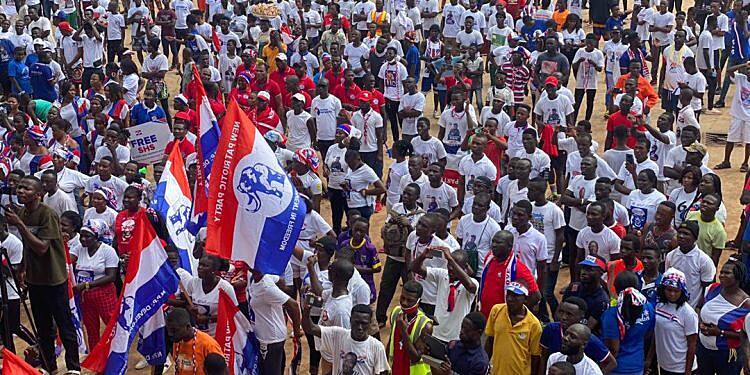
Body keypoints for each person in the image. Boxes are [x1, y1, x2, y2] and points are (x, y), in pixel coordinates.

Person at [4, 176, 80, 373]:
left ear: (38, 194)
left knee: (64, 325)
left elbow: (42, 248)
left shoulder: (47, 214)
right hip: (35, 279)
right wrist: (22, 268)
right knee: (43, 328)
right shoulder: (22, 212)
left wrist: (19, 224)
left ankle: (74, 367)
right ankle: (49, 366)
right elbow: (29, 248)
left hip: (54, 279)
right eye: (19, 188)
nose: (20, 191)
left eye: (26, 189)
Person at [411, 246, 478, 342]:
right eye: (448, 264)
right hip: (436, 332)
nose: (450, 268)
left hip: (456, 337)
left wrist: (450, 259)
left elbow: (471, 287)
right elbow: (415, 268)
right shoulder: (442, 274)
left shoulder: (473, 283)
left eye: (454, 265)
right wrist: (422, 256)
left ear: (465, 266)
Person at [697, 257, 750, 375]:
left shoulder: (745, 303)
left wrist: (720, 332)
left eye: (727, 273)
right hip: (703, 348)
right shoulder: (712, 288)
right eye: (721, 272)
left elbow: (746, 335)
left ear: (738, 277)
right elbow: (699, 307)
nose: (721, 275)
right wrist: (700, 323)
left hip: (727, 354)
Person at [302, 303, 390, 375]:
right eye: (356, 322)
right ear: (350, 320)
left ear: (370, 323)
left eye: (364, 323)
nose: (360, 327)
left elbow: (383, 372)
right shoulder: (338, 335)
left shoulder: (377, 347)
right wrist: (306, 311)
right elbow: (310, 328)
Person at [540, 297, 618, 374]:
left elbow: (611, 362)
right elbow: (543, 357)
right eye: (561, 312)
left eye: (569, 314)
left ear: (581, 317)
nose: (563, 317)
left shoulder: (590, 339)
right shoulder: (550, 330)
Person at [646, 267, 699, 375]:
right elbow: (657, 335)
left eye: (676, 291)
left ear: (682, 291)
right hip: (664, 365)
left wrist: (687, 372)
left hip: (681, 368)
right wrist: (649, 358)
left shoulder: (688, 313)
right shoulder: (659, 306)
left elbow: (692, 344)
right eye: (669, 290)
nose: (672, 294)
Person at [602, 272, 655, 375]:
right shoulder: (648, 308)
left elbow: (613, 349)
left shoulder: (612, 314)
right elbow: (649, 334)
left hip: (616, 369)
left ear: (616, 289)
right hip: (637, 364)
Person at [485, 282, 542, 375]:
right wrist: (485, 365)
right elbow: (490, 340)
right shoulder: (496, 311)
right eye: (508, 294)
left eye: (515, 296)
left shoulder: (534, 325)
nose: (510, 299)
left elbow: (535, 356)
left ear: (525, 299)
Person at [166, 307, 223, 375]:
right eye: (168, 330)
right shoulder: (177, 341)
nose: (170, 334)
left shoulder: (208, 344)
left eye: (174, 330)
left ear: (187, 327)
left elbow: (221, 372)